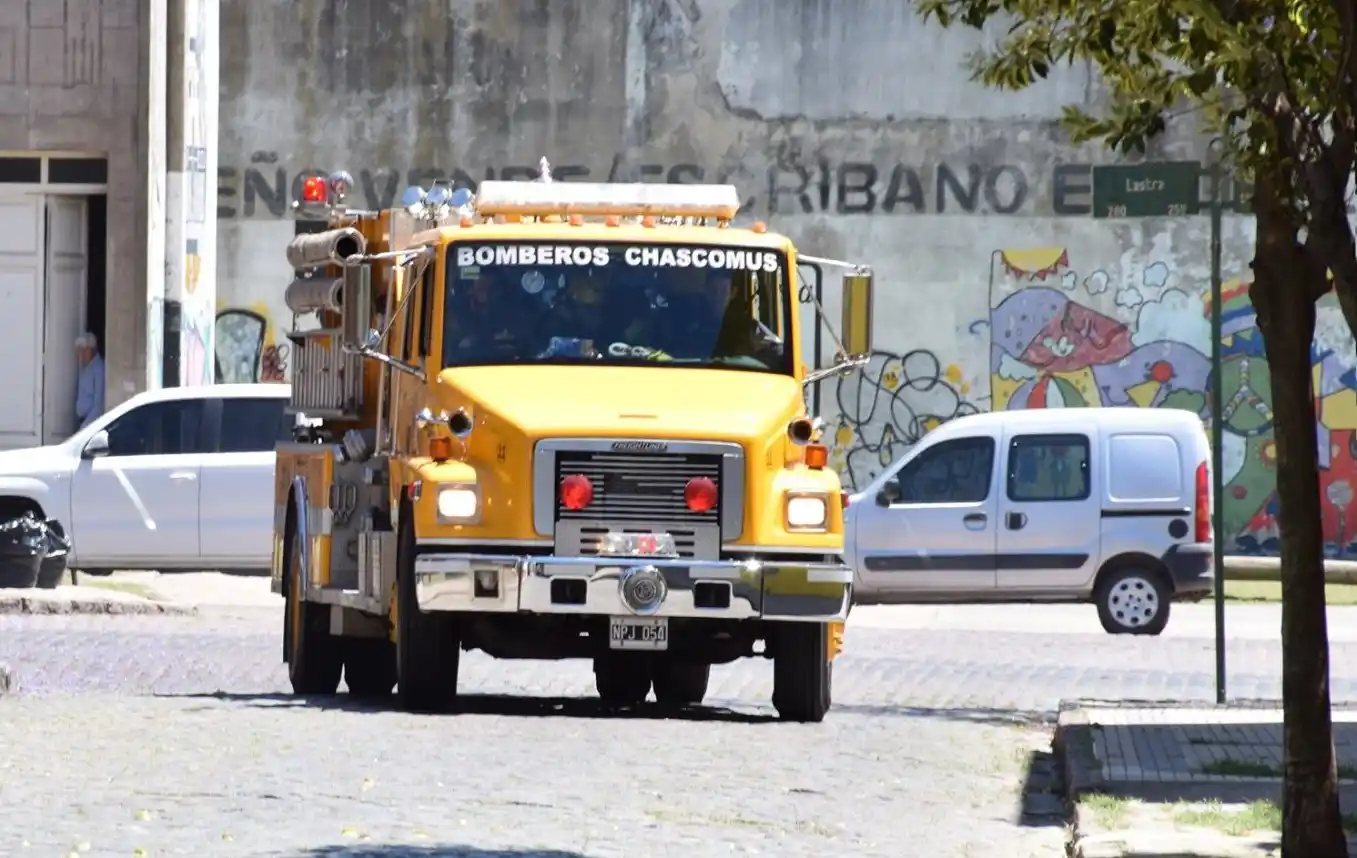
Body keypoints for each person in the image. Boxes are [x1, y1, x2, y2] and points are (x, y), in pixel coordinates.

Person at [75, 332, 105, 429]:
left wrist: (85, 427)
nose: (81, 354)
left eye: (84, 350)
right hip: (83, 422)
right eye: (80, 350)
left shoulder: (98, 369)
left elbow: (99, 404)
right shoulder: (86, 368)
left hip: (90, 425)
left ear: (92, 349)